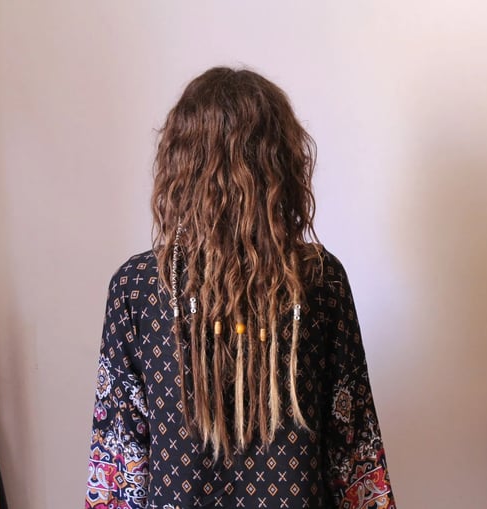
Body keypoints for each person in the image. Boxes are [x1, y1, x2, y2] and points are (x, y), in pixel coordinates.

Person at [85, 66, 396, 509]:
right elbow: (355, 459)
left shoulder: (137, 287)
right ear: (282, 165)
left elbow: (119, 470)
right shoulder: (319, 279)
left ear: (180, 165)